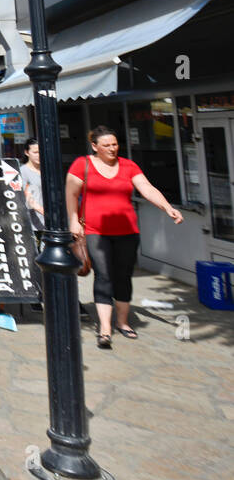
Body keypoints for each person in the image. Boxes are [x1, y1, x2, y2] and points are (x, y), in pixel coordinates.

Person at [66, 125, 183, 350]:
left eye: (115, 144)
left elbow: (146, 188)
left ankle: (122, 321)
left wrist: (167, 208)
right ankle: (104, 329)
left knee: (123, 276)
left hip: (127, 230)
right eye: (107, 145)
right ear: (94, 146)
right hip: (95, 230)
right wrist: (73, 220)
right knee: (103, 275)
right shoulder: (83, 164)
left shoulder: (128, 166)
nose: (112, 148)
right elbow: (71, 194)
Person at [19, 137, 44, 232]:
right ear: (27, 152)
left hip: (51, 223)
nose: (38, 155)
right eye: (35, 152)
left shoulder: (48, 170)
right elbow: (29, 200)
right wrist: (46, 214)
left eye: (40, 152)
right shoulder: (23, 172)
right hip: (34, 225)